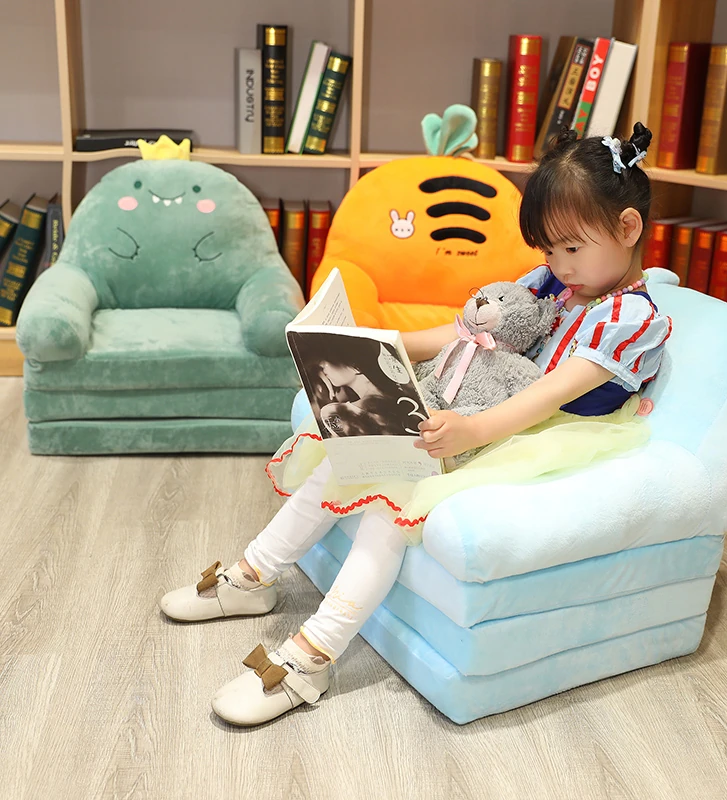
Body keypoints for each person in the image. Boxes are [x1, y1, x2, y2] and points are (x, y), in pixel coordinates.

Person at [159, 122, 672, 727]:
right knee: (353, 447)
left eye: (571, 248)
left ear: (628, 228)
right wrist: (376, 344)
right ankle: (252, 574)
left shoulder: (632, 318)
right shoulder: (553, 284)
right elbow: (463, 333)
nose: (558, 264)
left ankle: (311, 657)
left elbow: (549, 396)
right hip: (478, 407)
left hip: (535, 430)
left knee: (393, 501)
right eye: (548, 250)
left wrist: (472, 432)